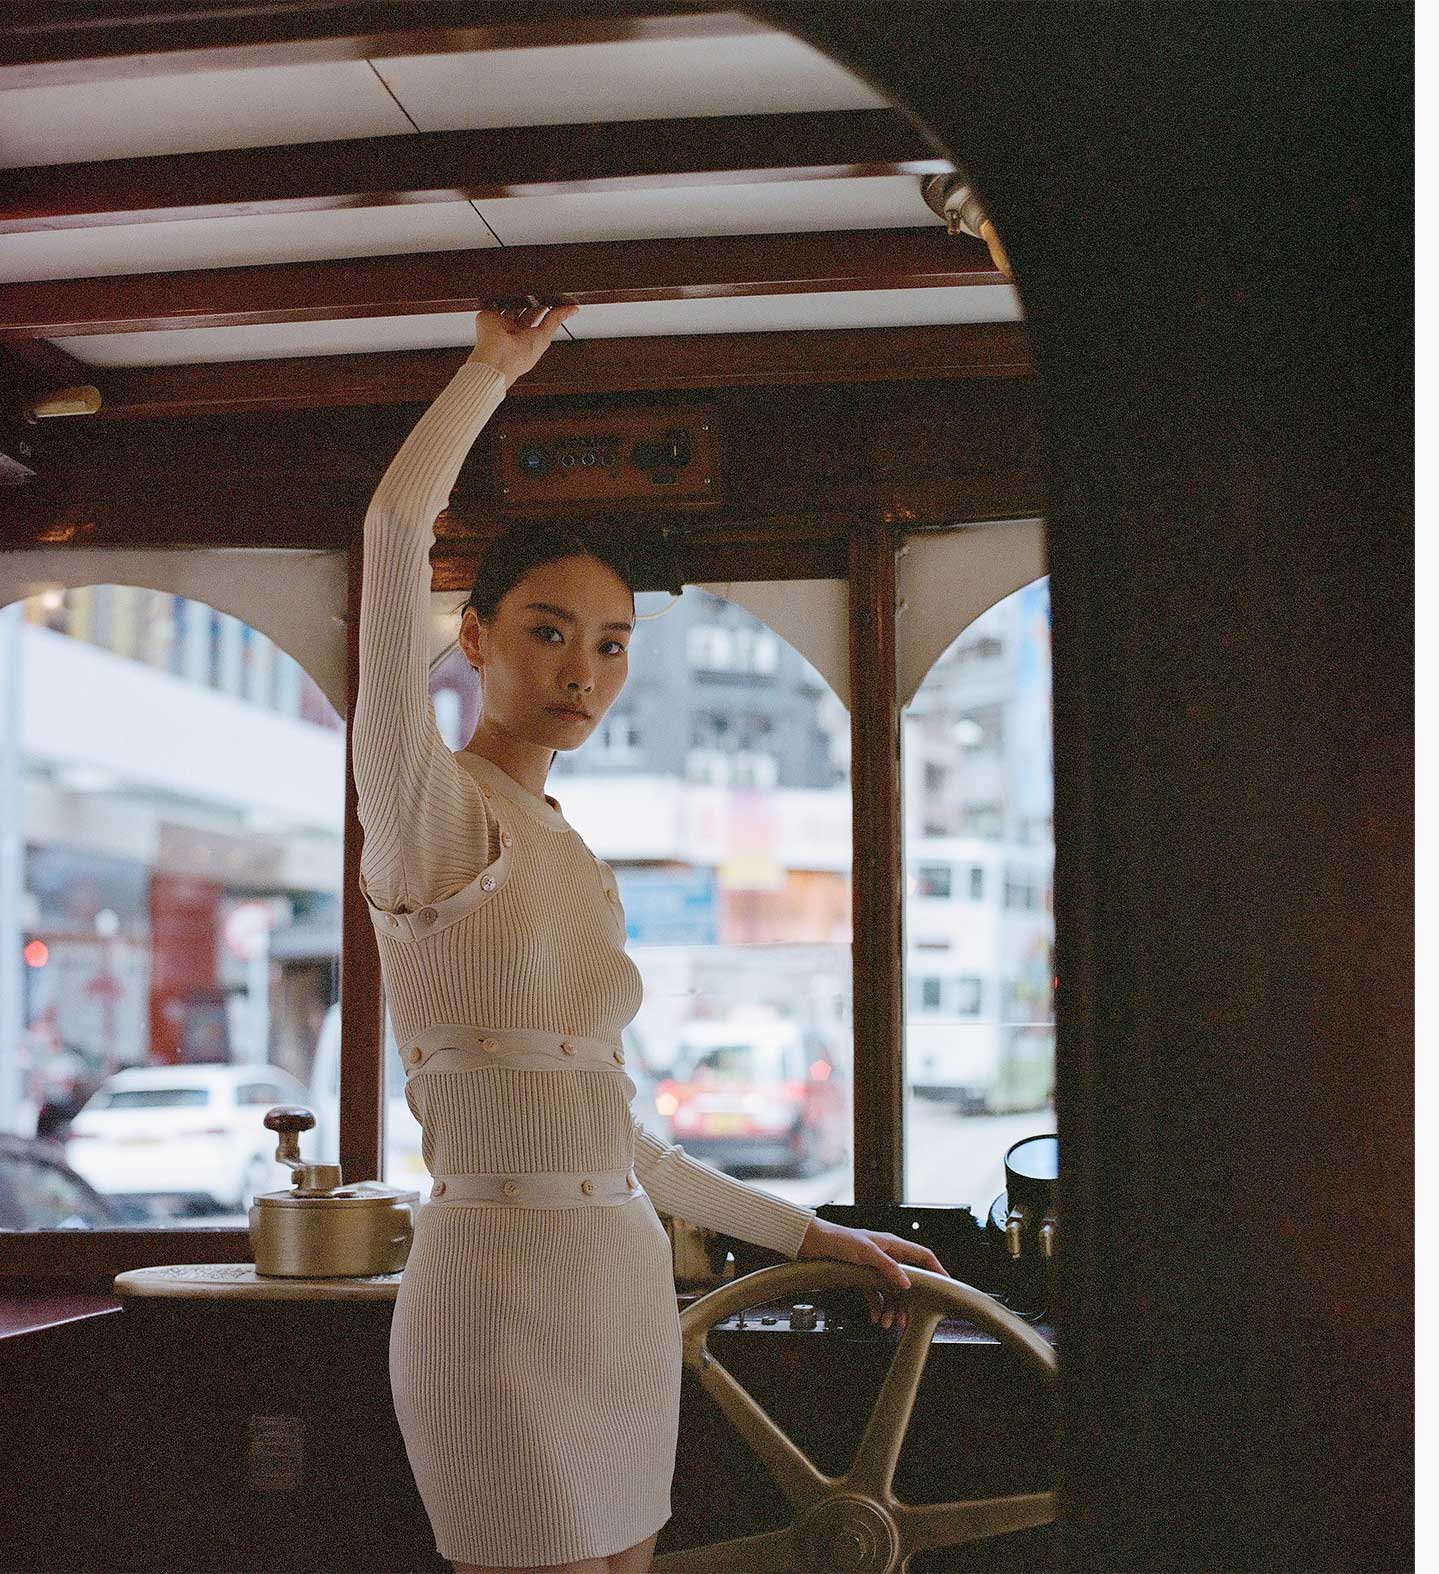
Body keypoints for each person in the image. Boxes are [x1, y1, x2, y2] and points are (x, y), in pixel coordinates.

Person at [357, 296, 944, 1574]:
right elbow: (394, 530)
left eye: (610, 644)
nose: (582, 670)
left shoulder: (574, 849)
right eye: (547, 631)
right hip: (491, 1299)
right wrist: (489, 370)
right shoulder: (426, 811)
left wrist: (821, 1238)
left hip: (619, 1291)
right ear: (474, 636)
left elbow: (626, 1145)